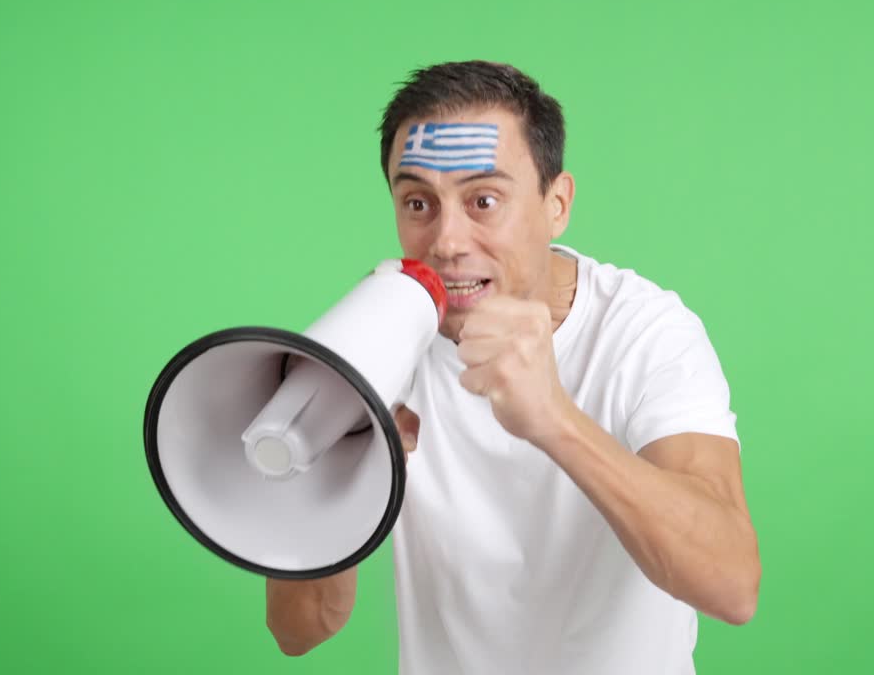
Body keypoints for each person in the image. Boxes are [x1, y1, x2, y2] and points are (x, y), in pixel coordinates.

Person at [265, 60, 760, 674]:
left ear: (557, 205)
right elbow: (298, 629)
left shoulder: (645, 332)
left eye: (484, 200)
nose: (446, 240)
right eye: (418, 202)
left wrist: (553, 419)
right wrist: (348, 477)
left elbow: (733, 585)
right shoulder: (379, 336)